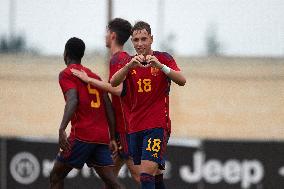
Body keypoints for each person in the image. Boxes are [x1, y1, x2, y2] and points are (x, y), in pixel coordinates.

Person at [110, 21, 186, 189]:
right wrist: (129, 67)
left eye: (144, 39)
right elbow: (114, 82)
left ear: (151, 39)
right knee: (155, 176)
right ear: (132, 41)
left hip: (157, 126)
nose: (140, 44)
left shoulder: (163, 58)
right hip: (135, 127)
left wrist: (161, 67)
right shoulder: (129, 62)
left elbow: (182, 80)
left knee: (145, 175)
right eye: (136, 40)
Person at [71, 18, 140, 183]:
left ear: (113, 35)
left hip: (127, 130)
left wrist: (89, 80)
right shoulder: (124, 58)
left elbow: (118, 89)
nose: (105, 35)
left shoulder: (118, 59)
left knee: (140, 178)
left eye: (107, 32)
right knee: (110, 180)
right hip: (122, 129)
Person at [49, 37, 122, 189]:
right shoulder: (94, 77)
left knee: (56, 175)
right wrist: (112, 137)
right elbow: (108, 106)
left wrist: (62, 128)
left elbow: (73, 100)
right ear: (81, 55)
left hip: (82, 135)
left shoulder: (67, 74)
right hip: (102, 137)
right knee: (112, 183)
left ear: (65, 54)